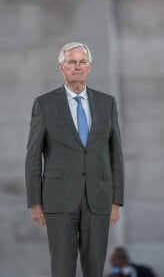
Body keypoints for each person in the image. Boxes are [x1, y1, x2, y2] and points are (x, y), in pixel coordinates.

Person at [25, 42, 124, 277]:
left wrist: (116, 201)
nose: (77, 66)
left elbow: (115, 154)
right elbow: (32, 156)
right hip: (58, 200)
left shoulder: (107, 103)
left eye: (82, 62)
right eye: (72, 62)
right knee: (62, 270)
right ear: (62, 67)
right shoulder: (45, 104)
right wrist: (35, 203)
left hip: (98, 199)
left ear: (89, 67)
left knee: (95, 271)